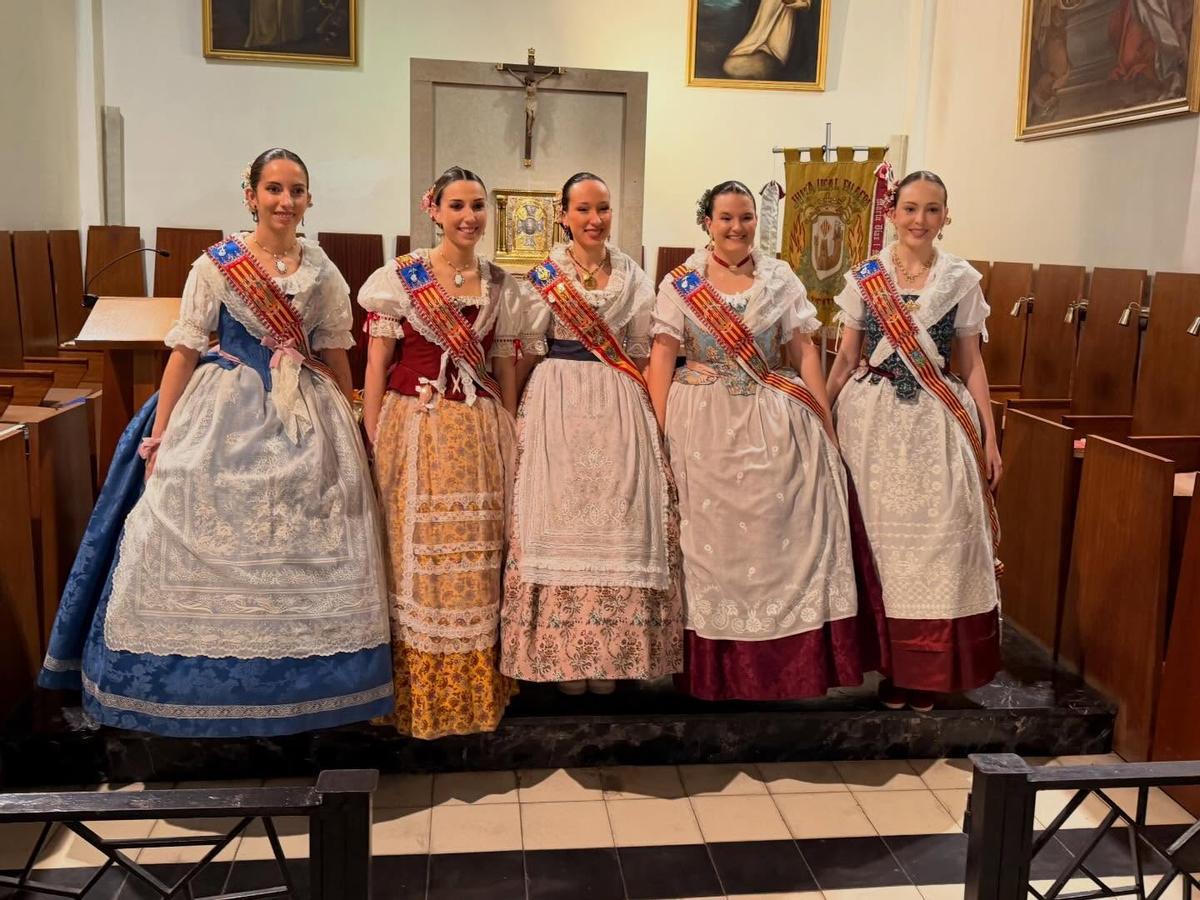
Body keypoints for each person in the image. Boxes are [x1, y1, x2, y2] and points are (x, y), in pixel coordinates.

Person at [38, 148, 392, 736]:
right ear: (250, 194)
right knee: (175, 518)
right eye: (274, 189)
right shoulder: (217, 265)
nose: (286, 201)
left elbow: (334, 353)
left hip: (306, 408)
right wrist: (157, 437)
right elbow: (183, 351)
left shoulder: (322, 269)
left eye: (297, 190)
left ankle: (317, 691)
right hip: (223, 407)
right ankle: (186, 686)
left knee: (314, 533)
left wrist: (351, 422)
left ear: (309, 199)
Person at [646, 179, 884, 701]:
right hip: (703, 419)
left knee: (781, 535)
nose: (736, 227)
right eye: (726, 217)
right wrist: (659, 429)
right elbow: (662, 355)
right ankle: (717, 670)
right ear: (706, 221)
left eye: (746, 217)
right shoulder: (680, 283)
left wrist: (823, 415)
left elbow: (802, 351)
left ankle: (782, 668)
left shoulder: (780, 278)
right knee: (711, 547)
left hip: (774, 415)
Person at [497, 172, 682, 695]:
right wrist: (517, 417)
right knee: (553, 518)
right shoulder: (543, 276)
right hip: (557, 398)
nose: (594, 220)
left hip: (620, 402)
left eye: (603, 208)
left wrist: (651, 416)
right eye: (583, 210)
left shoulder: (634, 275)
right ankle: (560, 658)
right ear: (563, 215)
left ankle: (614, 657)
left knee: (623, 521)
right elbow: (525, 350)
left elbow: (644, 350)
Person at [826, 169, 1002, 712]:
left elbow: (971, 365)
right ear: (892, 213)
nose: (920, 219)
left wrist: (989, 438)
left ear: (947, 216)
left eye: (932, 209)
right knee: (879, 543)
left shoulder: (961, 281)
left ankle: (925, 671)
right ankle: (887, 664)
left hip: (937, 424)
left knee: (934, 545)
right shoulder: (866, 277)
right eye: (909, 208)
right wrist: (821, 416)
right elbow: (846, 360)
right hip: (872, 423)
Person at [359, 166, 519, 739]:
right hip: (417, 429)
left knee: (474, 562)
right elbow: (376, 365)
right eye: (457, 206)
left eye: (478, 206)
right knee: (417, 559)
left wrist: (511, 429)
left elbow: (503, 365)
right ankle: (418, 696)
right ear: (434, 210)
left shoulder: (500, 283)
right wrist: (376, 436)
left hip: (477, 433)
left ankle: (474, 695)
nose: (469, 217)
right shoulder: (401, 278)